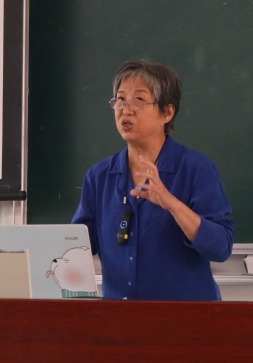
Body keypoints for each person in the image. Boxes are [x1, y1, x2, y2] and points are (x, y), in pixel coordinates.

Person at [72, 59, 234, 300]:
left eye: (138, 100)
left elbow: (220, 248)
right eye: (120, 99)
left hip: (185, 316)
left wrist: (172, 204)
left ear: (167, 113)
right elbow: (79, 246)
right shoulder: (99, 176)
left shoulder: (196, 169)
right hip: (120, 316)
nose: (125, 109)